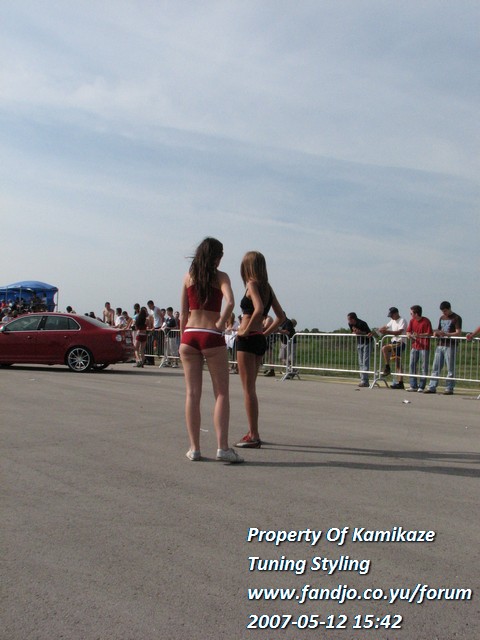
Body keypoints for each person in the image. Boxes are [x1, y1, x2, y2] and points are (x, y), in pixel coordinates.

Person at [179, 237, 243, 463]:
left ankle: (194, 448)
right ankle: (222, 448)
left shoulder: (188, 277)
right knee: (221, 393)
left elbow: (183, 313)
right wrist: (221, 323)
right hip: (211, 334)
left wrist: (183, 339)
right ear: (216, 256)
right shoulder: (221, 277)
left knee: (192, 394)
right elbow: (231, 302)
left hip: (189, 335)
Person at [235, 251, 285, 448]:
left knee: (248, 390)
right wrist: (264, 334)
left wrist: (245, 330)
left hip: (248, 340)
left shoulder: (252, 284)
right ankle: (252, 431)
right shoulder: (267, 288)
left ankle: (254, 435)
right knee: (251, 389)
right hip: (258, 339)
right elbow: (281, 316)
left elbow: (258, 309)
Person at [425, 301, 462, 395]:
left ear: (449, 309)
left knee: (450, 368)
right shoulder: (441, 318)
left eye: (445, 311)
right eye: (442, 311)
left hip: (450, 345)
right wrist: (436, 333)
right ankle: (432, 386)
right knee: (435, 366)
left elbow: (458, 332)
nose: (444, 313)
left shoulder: (456, 318)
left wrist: (446, 334)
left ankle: (449, 388)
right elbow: (439, 329)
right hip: (440, 344)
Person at [378, 307, 407, 389]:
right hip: (394, 342)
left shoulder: (402, 320)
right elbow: (386, 326)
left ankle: (387, 367)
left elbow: (399, 332)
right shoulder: (392, 321)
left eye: (392, 315)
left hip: (400, 342)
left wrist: (387, 332)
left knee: (385, 349)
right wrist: (379, 330)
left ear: (396, 313)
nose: (391, 317)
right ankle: (399, 382)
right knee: (397, 362)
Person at [406, 305, 433, 392]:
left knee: (423, 366)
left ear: (416, 314)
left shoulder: (426, 321)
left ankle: (421, 386)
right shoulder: (412, 321)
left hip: (424, 347)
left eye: (411, 313)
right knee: (412, 365)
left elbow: (430, 333)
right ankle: (413, 385)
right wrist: (409, 335)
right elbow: (408, 331)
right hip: (414, 346)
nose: (410, 315)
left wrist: (419, 335)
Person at [347, 312, 373, 387]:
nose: (348, 321)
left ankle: (365, 381)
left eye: (349, 319)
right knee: (360, 361)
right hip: (359, 343)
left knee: (365, 361)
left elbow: (368, 333)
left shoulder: (362, 323)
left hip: (367, 343)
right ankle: (362, 379)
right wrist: (354, 333)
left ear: (353, 319)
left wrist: (360, 332)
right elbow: (352, 332)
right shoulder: (350, 324)